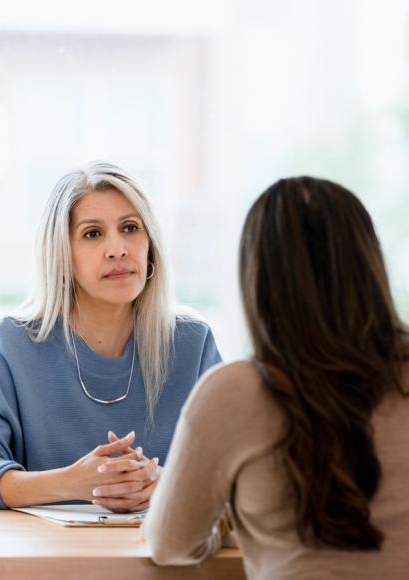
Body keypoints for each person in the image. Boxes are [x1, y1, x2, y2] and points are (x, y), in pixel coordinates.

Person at [144, 176, 409, 578]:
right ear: (369, 264)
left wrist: (231, 519)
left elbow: (170, 545)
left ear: (258, 279)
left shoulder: (235, 392)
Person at [0, 160, 221, 513]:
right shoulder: (8, 346)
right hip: (45, 564)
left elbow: (238, 474)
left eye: (131, 228)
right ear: (62, 255)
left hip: (163, 562)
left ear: (150, 245)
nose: (118, 248)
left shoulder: (193, 344)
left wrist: (166, 483)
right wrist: (74, 482)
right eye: (93, 234)